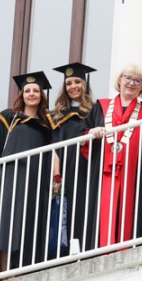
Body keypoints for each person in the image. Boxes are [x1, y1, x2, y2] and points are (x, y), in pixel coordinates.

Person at [0, 72, 55, 271]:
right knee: (9, 219)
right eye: (28, 91)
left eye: (36, 91)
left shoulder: (47, 125)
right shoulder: (9, 118)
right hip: (13, 174)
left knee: (31, 218)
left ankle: (26, 268)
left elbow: (54, 152)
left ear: (41, 96)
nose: (32, 94)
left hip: (37, 177)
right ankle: (5, 270)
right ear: (22, 95)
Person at [88, 63, 142, 247]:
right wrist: (91, 132)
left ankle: (126, 248)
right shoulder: (101, 107)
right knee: (104, 209)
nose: (131, 83)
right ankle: (102, 249)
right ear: (119, 80)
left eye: (137, 81)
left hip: (133, 173)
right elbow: (83, 134)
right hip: (104, 172)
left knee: (130, 209)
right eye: (128, 78)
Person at [48, 63, 102, 255]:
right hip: (67, 169)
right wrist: (57, 175)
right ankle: (71, 251)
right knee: (68, 209)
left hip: (88, 166)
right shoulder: (56, 115)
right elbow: (54, 147)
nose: (73, 86)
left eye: (77, 82)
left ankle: (89, 248)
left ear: (84, 85)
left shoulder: (95, 110)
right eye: (69, 83)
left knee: (87, 205)